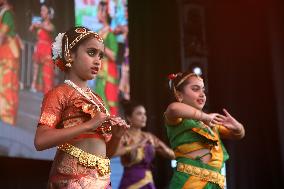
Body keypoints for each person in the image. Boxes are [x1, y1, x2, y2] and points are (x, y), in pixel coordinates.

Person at [34, 26, 129, 188]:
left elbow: (106, 154)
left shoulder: (98, 99)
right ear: (70, 54)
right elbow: (40, 141)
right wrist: (89, 125)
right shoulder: (59, 93)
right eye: (91, 53)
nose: (98, 61)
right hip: (71, 180)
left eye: (101, 55)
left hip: (101, 182)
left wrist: (117, 136)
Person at [164, 72, 245, 189]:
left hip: (215, 184)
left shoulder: (210, 123)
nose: (202, 94)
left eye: (203, 90)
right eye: (195, 89)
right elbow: (173, 108)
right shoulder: (178, 119)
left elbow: (237, 135)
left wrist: (238, 128)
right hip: (189, 182)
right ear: (179, 95)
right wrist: (205, 117)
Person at [111, 100, 175, 189]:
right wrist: (136, 145)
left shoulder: (148, 137)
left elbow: (173, 155)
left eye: (144, 114)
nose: (144, 117)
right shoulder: (124, 136)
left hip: (148, 182)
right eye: (139, 114)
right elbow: (112, 153)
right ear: (129, 117)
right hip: (130, 183)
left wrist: (162, 148)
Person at [95, 0, 119, 115]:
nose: (97, 13)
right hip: (99, 70)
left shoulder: (110, 33)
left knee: (107, 99)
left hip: (108, 72)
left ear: (105, 13)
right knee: (98, 98)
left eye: (99, 10)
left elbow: (114, 56)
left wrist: (101, 46)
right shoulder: (100, 32)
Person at [0, 0, 22, 125]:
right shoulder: (4, 12)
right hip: (4, 55)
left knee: (7, 87)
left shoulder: (7, 13)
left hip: (8, 56)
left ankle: (8, 121)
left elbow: (1, 37)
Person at [29, 2, 55, 94]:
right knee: (36, 70)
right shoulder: (39, 24)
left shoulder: (50, 25)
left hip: (47, 51)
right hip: (39, 49)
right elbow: (31, 30)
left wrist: (39, 25)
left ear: (49, 13)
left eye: (43, 10)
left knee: (47, 75)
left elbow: (49, 29)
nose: (41, 12)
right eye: (41, 10)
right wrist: (33, 26)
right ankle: (34, 85)